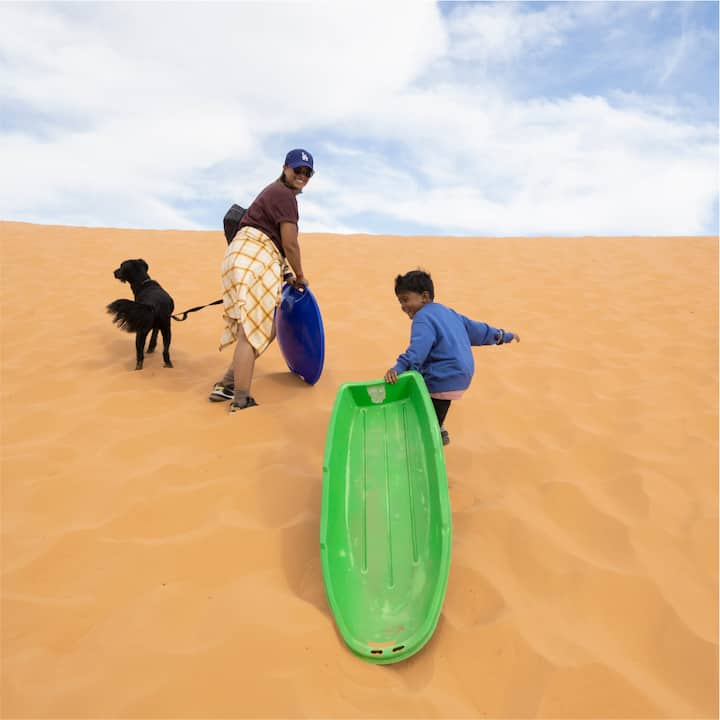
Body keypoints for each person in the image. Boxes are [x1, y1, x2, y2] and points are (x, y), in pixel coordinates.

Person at [209, 148, 314, 412]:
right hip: (254, 257)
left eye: (307, 172)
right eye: (297, 170)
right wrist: (300, 274)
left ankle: (228, 383)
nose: (301, 175)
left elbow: (273, 242)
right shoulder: (285, 196)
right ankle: (241, 399)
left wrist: (287, 275)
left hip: (246, 255)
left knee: (265, 328)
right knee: (253, 329)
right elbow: (289, 243)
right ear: (285, 168)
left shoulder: (273, 193)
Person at [384, 269, 519, 445]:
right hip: (461, 375)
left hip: (442, 375)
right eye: (400, 301)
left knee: (424, 397)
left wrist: (398, 368)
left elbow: (418, 350)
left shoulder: (422, 318)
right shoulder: (450, 313)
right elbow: (479, 331)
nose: (402, 306)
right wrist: (503, 336)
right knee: (438, 400)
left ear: (424, 297)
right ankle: (439, 426)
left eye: (405, 299)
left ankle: (431, 434)